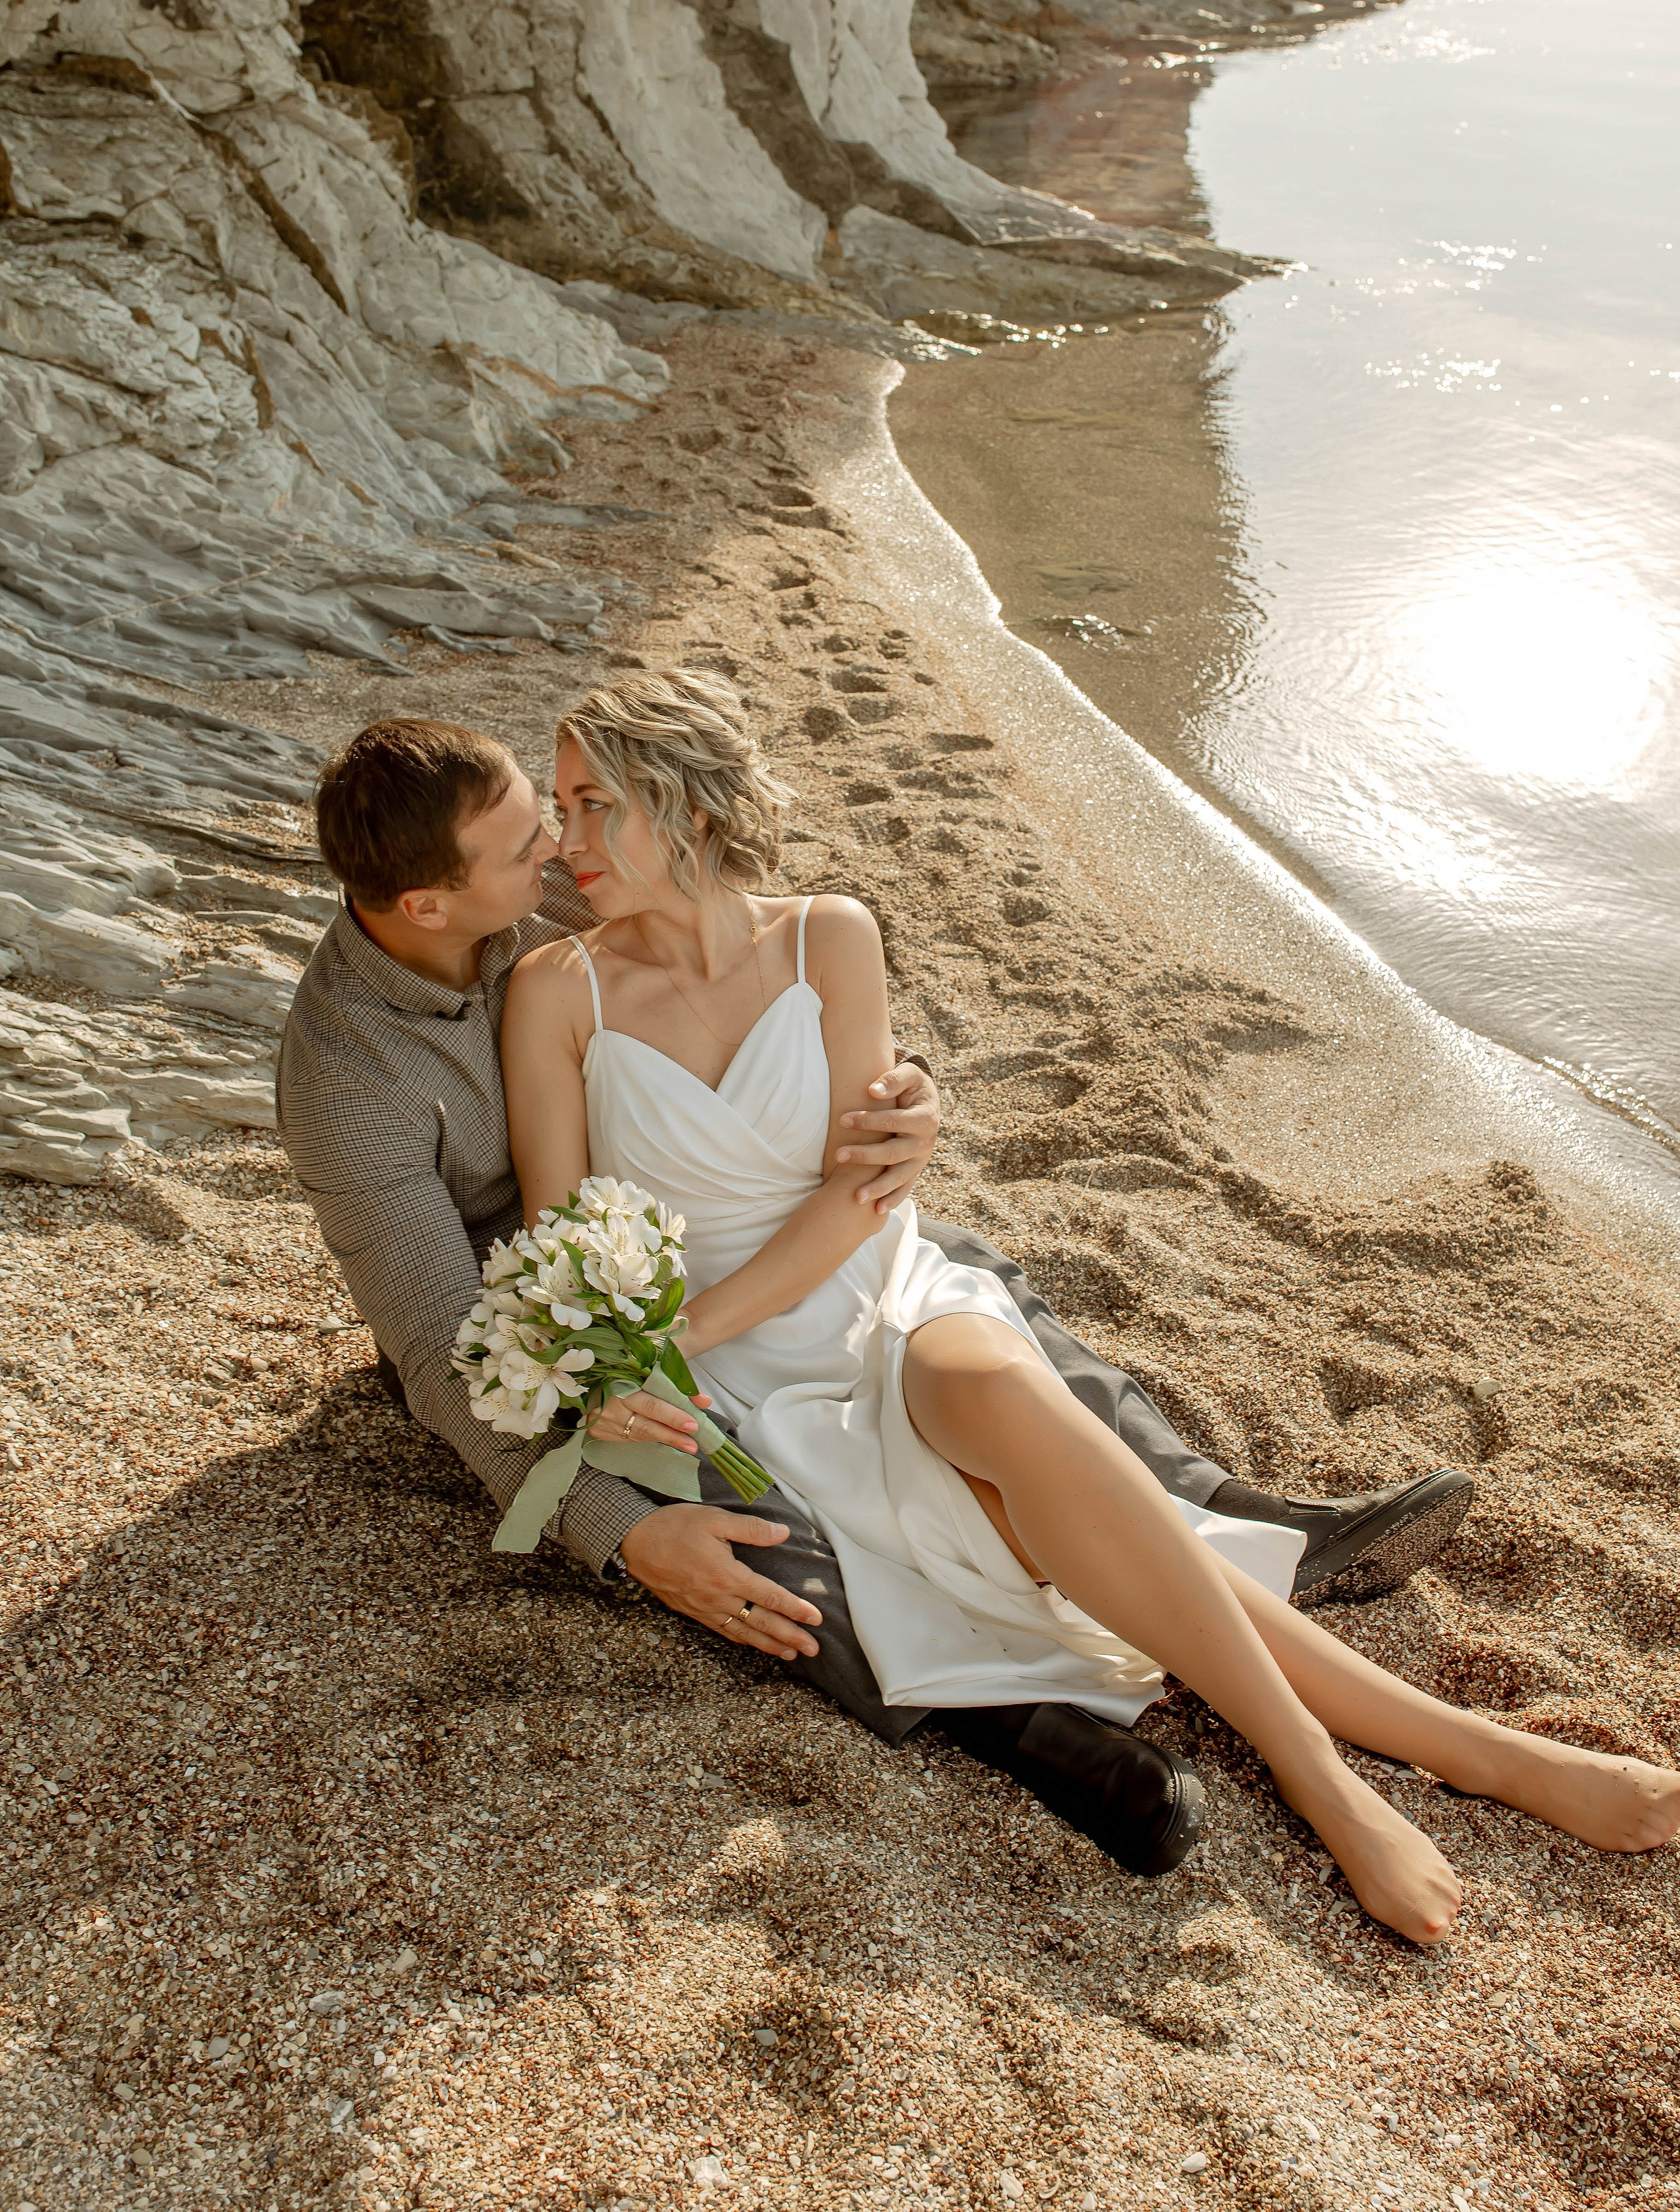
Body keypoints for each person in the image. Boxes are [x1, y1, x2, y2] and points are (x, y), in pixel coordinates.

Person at [496, 669, 1680, 1943]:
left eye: (589, 806)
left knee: (986, 1387)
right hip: (737, 1386)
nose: (565, 847)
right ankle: (1437, 1761)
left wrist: (701, 1320)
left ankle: (1356, 1773)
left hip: (874, 1288)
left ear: (681, 802)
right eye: (561, 813)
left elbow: (862, 1194)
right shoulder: (559, 992)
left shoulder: (826, 937)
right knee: (1062, 1532)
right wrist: (652, 1354)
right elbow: (564, 1240)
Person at [278, 708, 1473, 1877]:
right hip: (548, 1315)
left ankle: (1223, 1510)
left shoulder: (560, 880)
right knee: (752, 1540)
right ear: (429, 905)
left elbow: (751, 964)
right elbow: (444, 1346)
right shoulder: (354, 1076)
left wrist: (905, 1106)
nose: (556, 850)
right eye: (534, 838)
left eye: (562, 816)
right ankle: (1020, 1725)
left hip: (764, 1252)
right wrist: (622, 1529)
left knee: (983, 1306)